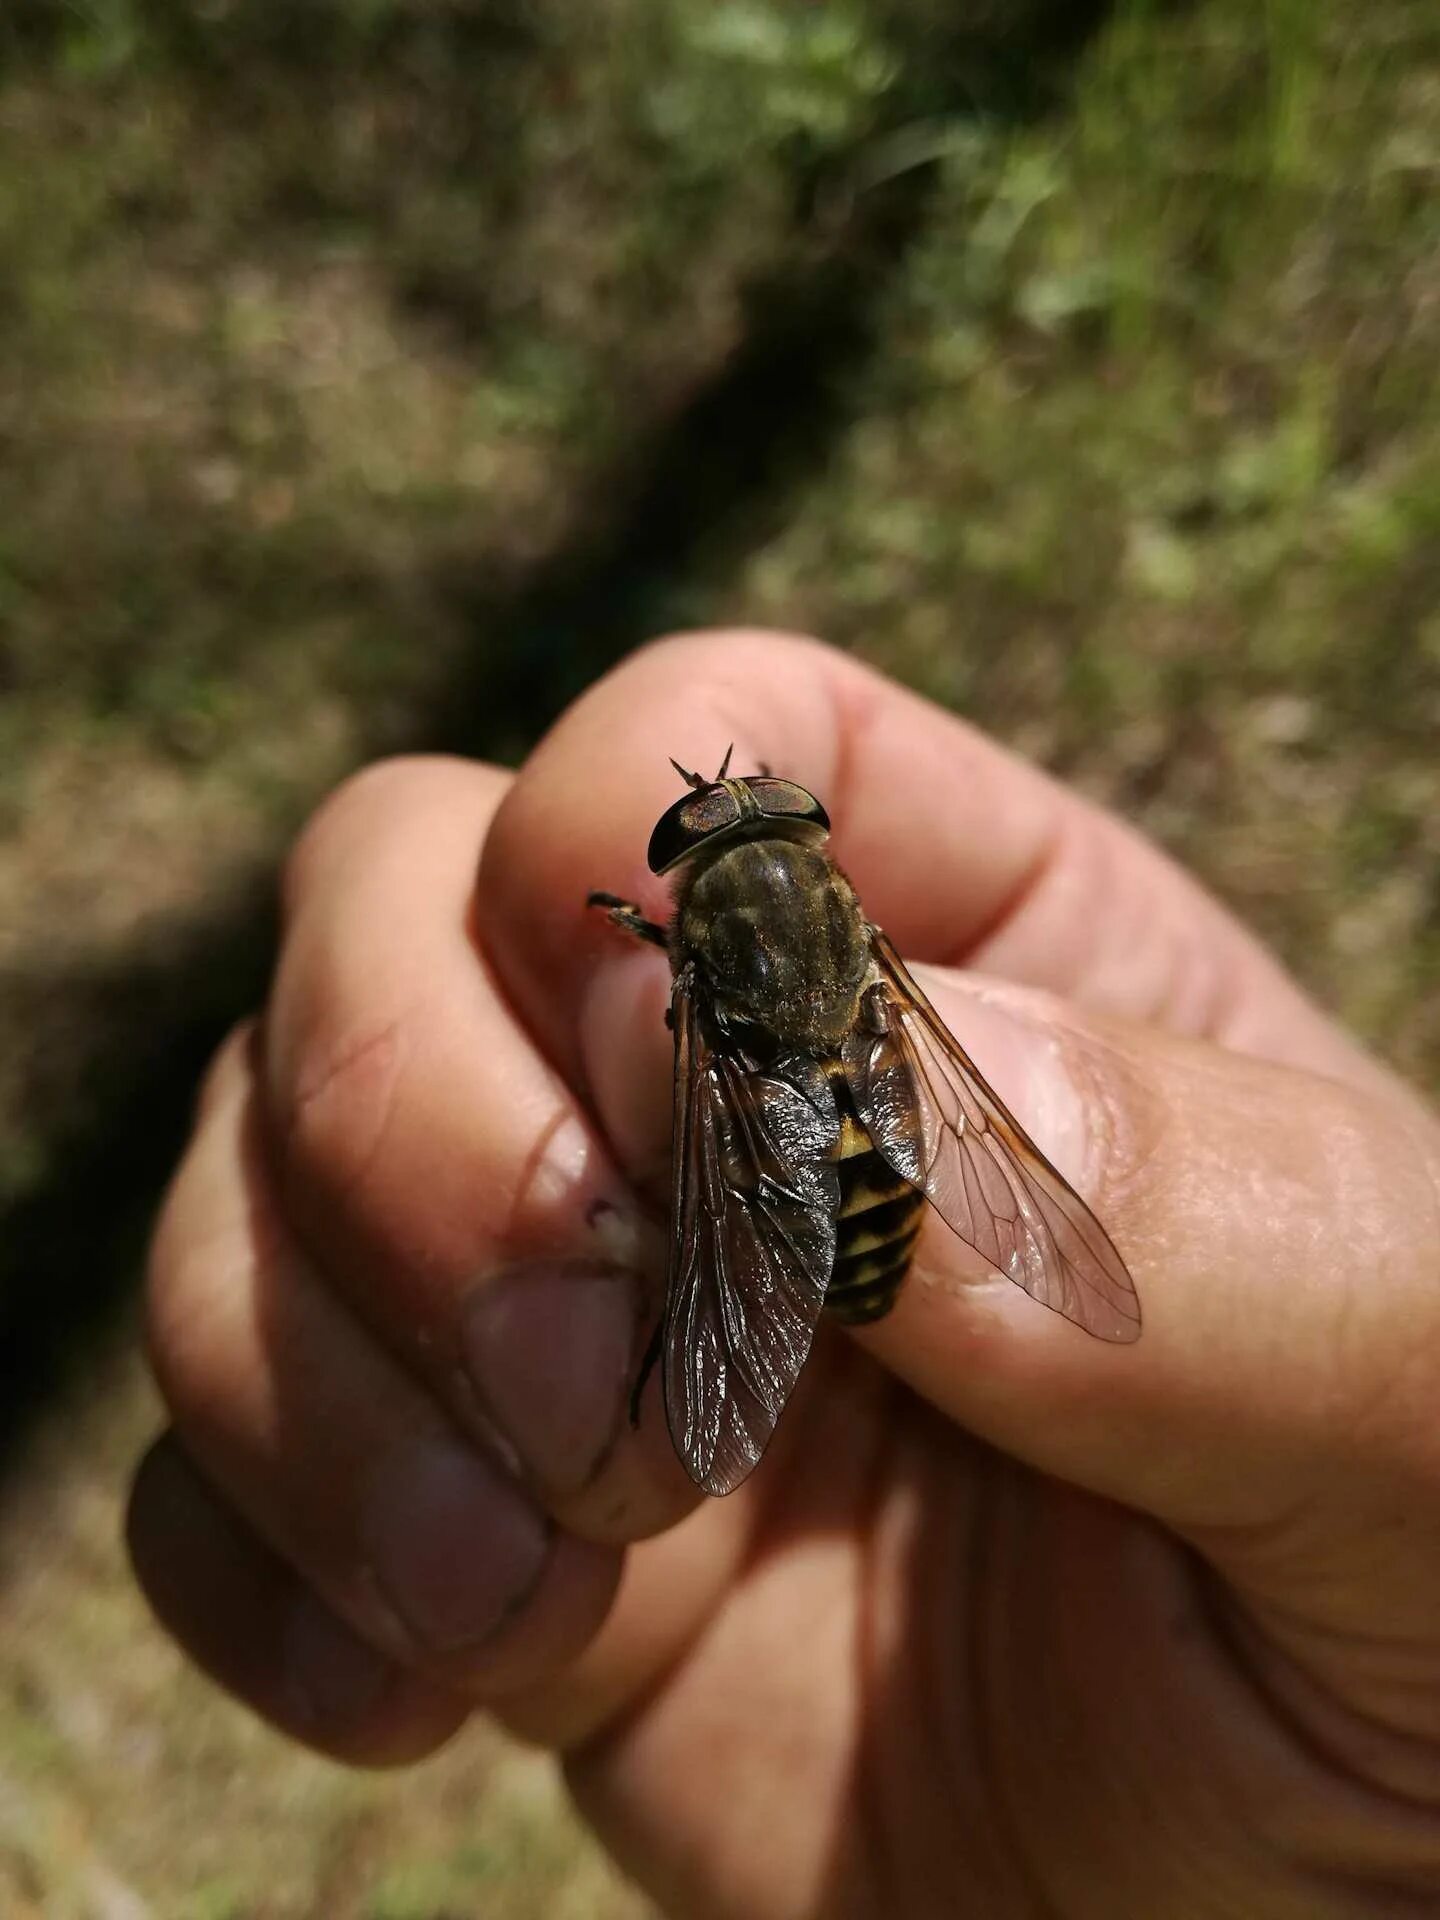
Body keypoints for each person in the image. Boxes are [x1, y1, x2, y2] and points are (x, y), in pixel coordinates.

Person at [127, 632, 1440, 1917]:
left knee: (704, 1162)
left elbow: (697, 1078)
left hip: (816, 1185)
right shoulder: (842, 917)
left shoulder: (698, 945)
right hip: (884, 1177)